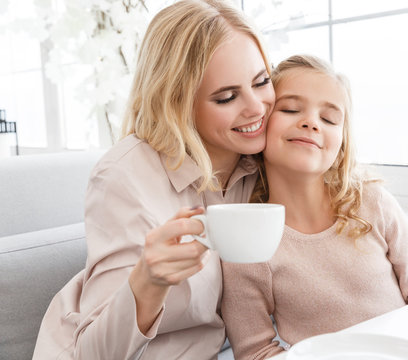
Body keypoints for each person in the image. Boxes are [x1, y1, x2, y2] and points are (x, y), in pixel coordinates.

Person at [33, 1, 275, 359]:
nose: (257, 107)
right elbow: (95, 354)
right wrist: (149, 281)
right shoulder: (124, 177)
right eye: (226, 97)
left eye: (262, 82)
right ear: (177, 101)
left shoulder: (264, 160)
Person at [220, 55, 408, 360]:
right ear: (259, 126)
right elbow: (255, 351)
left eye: (329, 119)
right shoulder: (247, 242)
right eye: (290, 109)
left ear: (341, 144)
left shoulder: (373, 202)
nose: (311, 122)